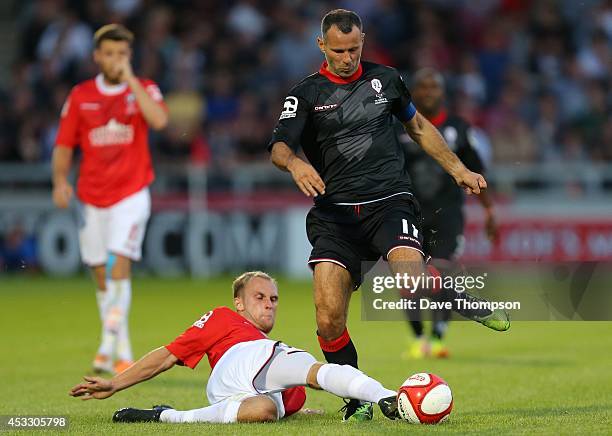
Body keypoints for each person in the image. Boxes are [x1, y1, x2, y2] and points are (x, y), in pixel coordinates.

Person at [268, 9, 509, 421]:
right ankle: (358, 397)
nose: (348, 58)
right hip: (335, 216)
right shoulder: (304, 95)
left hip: (389, 202)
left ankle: (454, 297)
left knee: (410, 283)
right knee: (328, 319)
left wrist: (458, 169)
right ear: (321, 45)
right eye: (339, 50)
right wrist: (295, 165)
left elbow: (418, 128)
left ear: (364, 41)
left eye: (355, 48)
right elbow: (278, 147)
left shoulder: (386, 80)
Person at [69, 271, 401, 424]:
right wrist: (115, 382)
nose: (269, 305)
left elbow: (279, 398)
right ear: (238, 303)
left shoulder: (278, 366)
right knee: (313, 370)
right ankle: (387, 397)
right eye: (260, 297)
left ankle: (162, 416)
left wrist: (297, 410)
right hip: (236, 367)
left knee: (265, 412)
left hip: (248, 389)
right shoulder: (223, 319)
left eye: (274, 299)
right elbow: (167, 355)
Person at [52, 24, 168, 375]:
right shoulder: (81, 95)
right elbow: (63, 145)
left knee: (120, 263)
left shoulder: (145, 88)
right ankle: (120, 347)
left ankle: (107, 344)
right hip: (91, 196)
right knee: (100, 273)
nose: (116, 60)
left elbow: (160, 120)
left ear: (129, 57)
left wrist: (132, 80)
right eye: (109, 54)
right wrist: (59, 181)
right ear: (96, 57)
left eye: (122, 54)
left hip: (131, 194)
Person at [400, 68, 500, 359]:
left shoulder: (459, 128)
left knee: (440, 274)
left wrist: (490, 209)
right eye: (423, 87)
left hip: (447, 215)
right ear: (414, 93)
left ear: (442, 92)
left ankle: (438, 338)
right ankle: (419, 340)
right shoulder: (399, 127)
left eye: (434, 87)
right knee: (409, 279)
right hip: (409, 213)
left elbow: (476, 173)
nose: (429, 92)